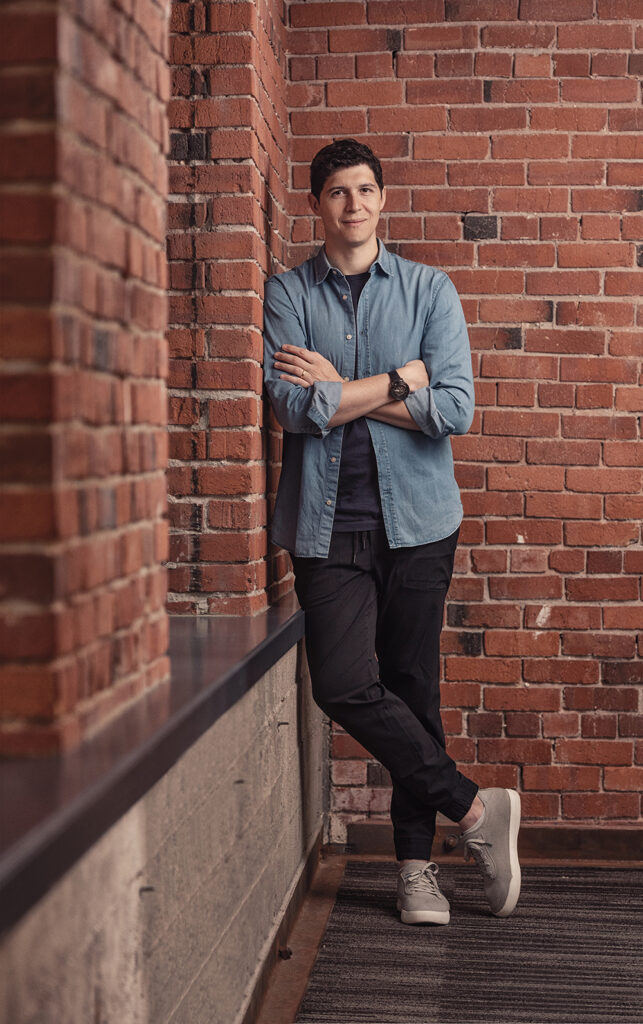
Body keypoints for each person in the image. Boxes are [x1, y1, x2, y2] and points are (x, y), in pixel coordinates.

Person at [262, 138, 521, 925]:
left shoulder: (429, 291)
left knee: (412, 688)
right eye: (337, 192)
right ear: (317, 205)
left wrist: (344, 390)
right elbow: (291, 410)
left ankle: (416, 871)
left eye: (365, 189)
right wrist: (396, 379)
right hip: (323, 528)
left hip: (418, 527)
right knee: (343, 683)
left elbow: (452, 409)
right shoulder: (288, 293)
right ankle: (477, 813)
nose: (353, 205)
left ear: (382, 199)